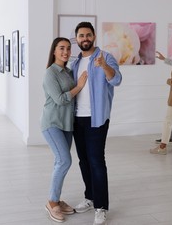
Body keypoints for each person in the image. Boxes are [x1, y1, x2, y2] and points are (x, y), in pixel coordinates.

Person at [71, 22, 122, 225]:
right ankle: (90, 198)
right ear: (77, 39)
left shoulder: (105, 57)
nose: (85, 38)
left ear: (94, 37)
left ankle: (101, 207)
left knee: (96, 161)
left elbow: (116, 80)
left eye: (88, 35)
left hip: (97, 119)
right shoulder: (75, 63)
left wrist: (104, 66)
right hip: (77, 119)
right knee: (83, 161)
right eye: (81, 35)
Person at [41, 37, 88, 223]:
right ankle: (52, 203)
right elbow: (60, 99)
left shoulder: (68, 71)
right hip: (52, 123)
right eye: (61, 48)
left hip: (67, 125)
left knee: (59, 162)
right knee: (64, 161)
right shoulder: (50, 73)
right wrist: (79, 86)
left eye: (68, 48)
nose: (66, 52)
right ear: (54, 51)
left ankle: (56, 199)